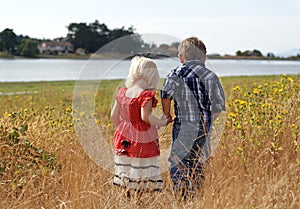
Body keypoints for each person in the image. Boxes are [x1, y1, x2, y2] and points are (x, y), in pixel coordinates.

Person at [161, 37, 226, 197]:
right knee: (199, 160)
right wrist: (209, 120)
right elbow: (219, 105)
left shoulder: (175, 74)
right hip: (203, 127)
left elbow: (165, 95)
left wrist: (167, 114)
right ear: (204, 57)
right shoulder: (211, 76)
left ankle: (181, 192)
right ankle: (196, 193)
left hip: (183, 126)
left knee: (178, 159)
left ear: (181, 57)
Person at [111, 56, 171, 197]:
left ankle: (127, 197)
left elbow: (114, 116)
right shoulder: (146, 95)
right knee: (141, 166)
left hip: (123, 136)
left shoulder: (122, 92)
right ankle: (139, 200)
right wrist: (163, 122)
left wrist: (124, 130)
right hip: (142, 137)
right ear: (152, 75)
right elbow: (146, 117)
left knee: (126, 165)